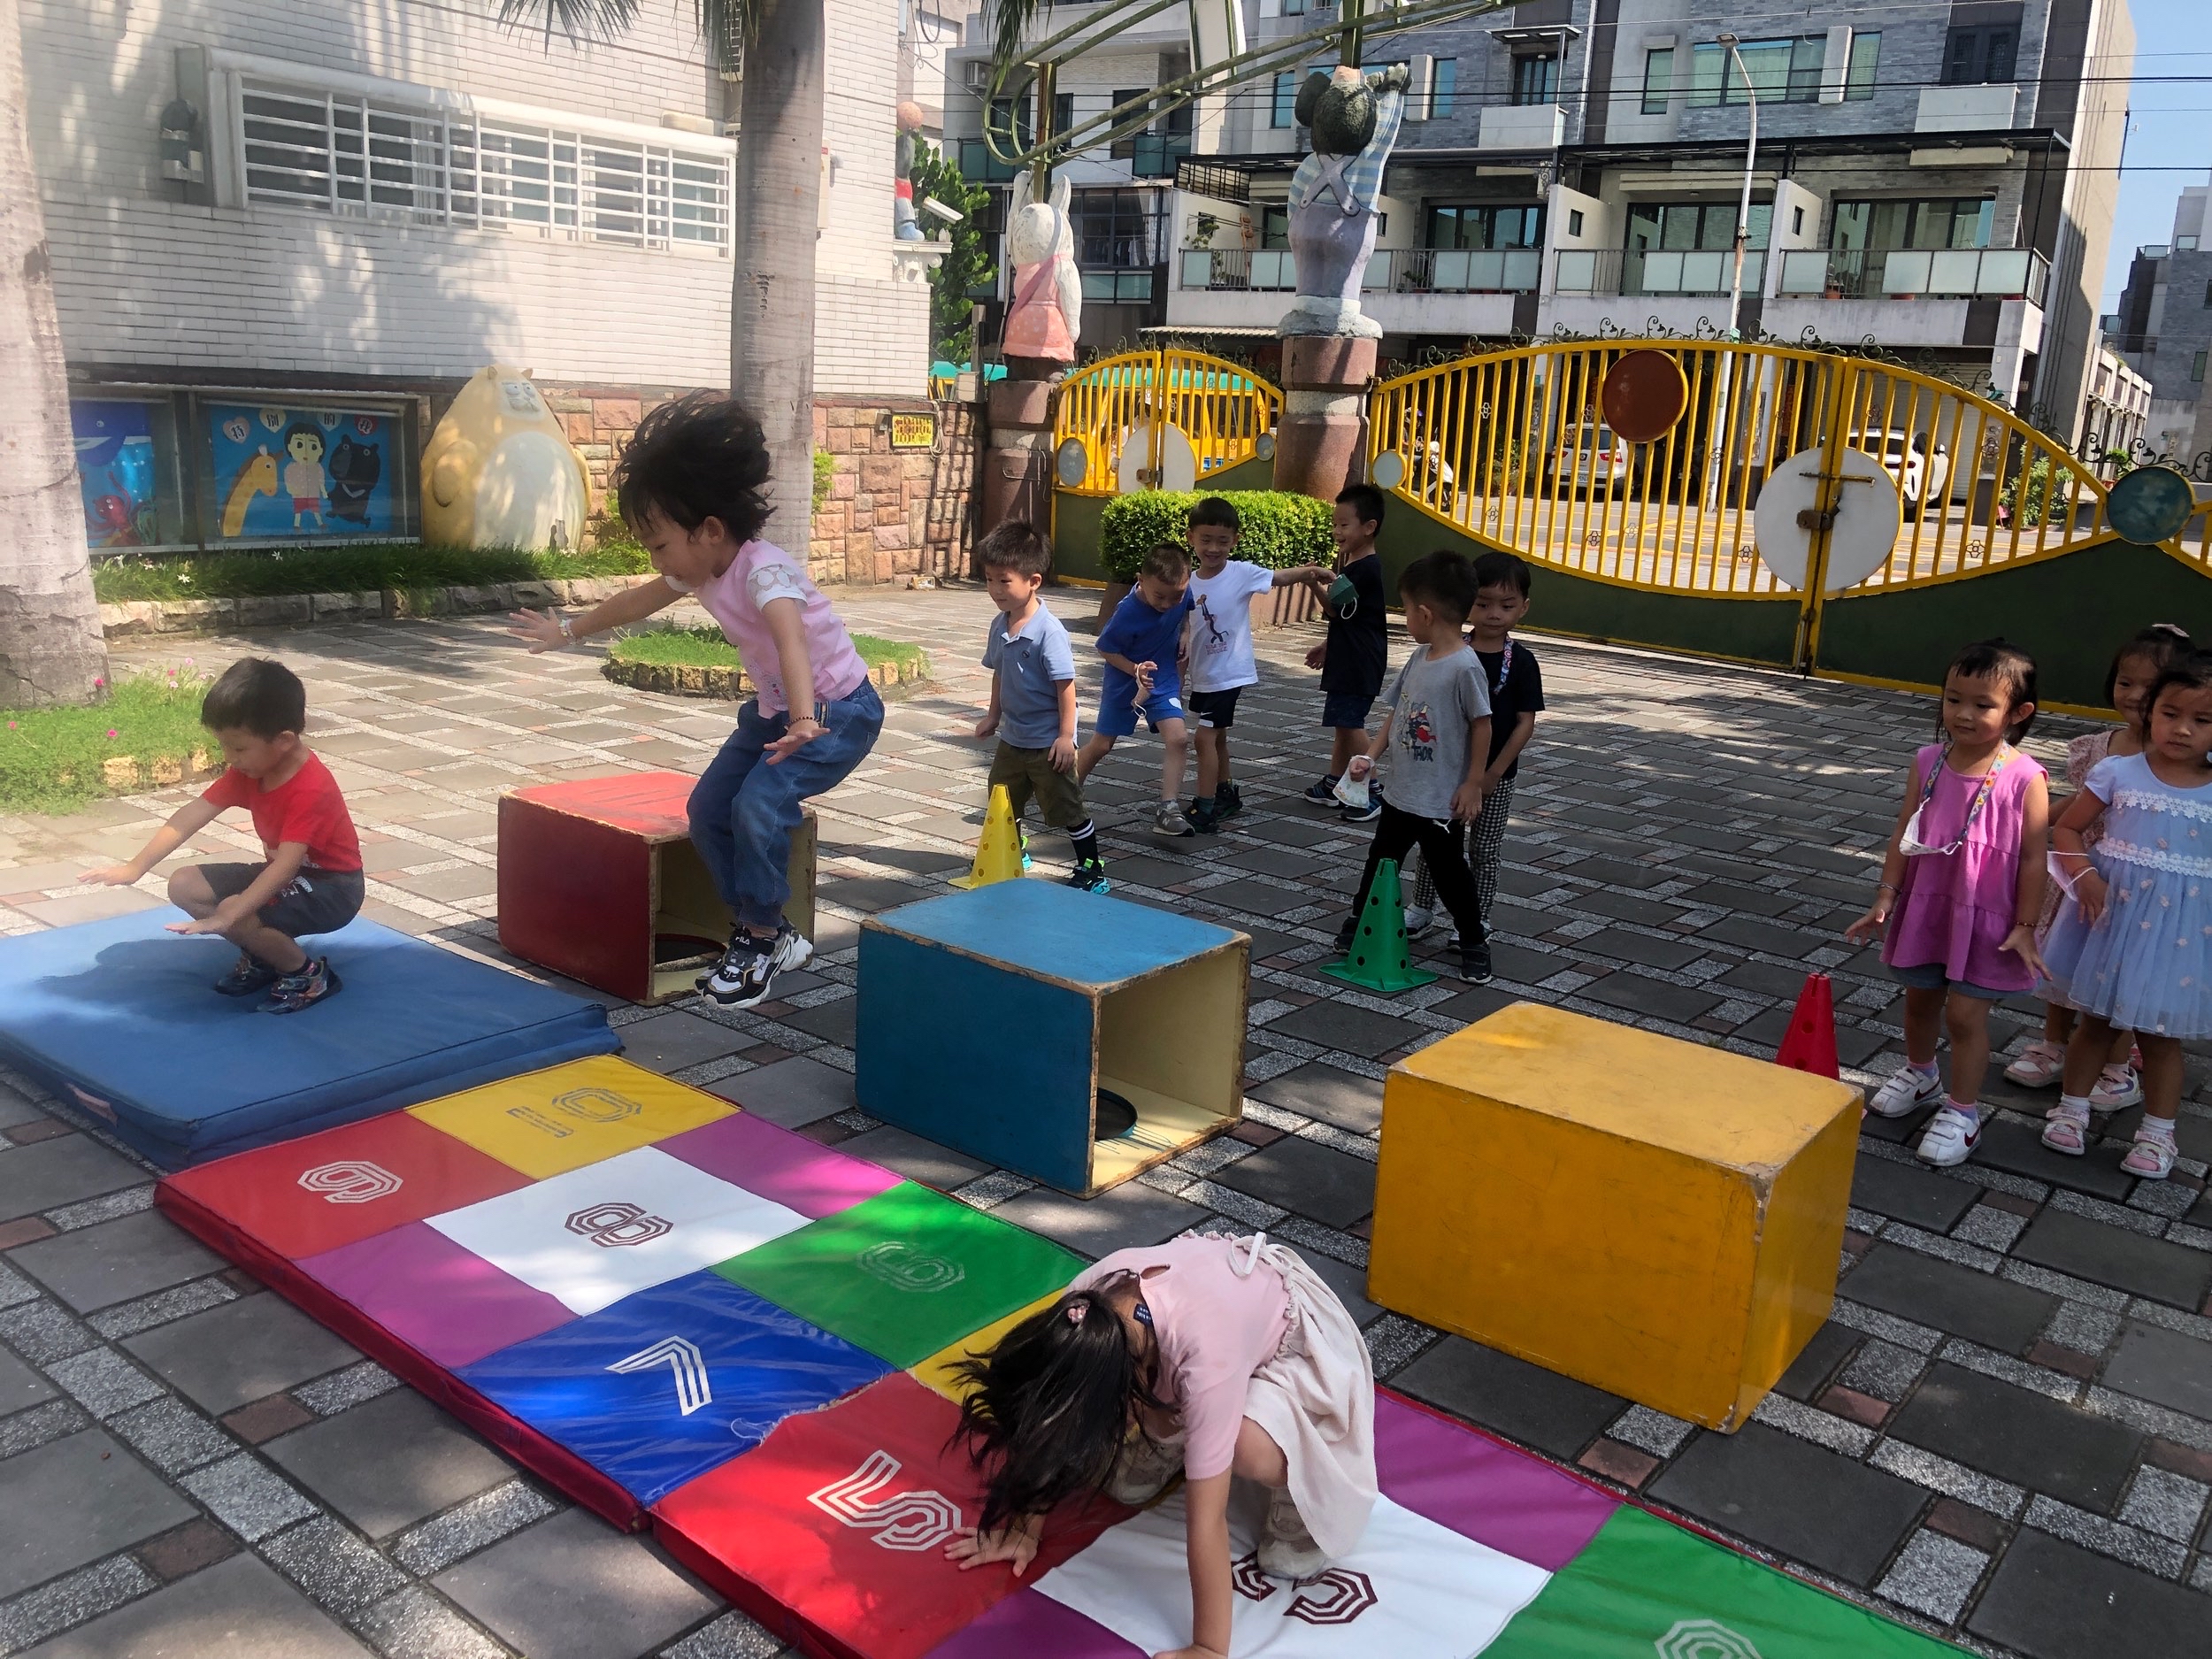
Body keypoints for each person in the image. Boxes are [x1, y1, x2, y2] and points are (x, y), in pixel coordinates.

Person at [510, 394, 881, 1010]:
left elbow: (790, 640)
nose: (655, 559)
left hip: (835, 714)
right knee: (707, 809)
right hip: (776, 715)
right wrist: (568, 630)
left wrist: (802, 718)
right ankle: (767, 930)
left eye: (658, 545)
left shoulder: (764, 571)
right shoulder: (700, 568)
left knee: (759, 804)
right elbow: (637, 600)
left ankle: (761, 938)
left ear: (709, 530)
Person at [945, 1231, 1377, 1659]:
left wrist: (1208, 1647)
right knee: (1169, 1427)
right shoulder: (1085, 1312)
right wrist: (1024, 1527)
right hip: (1206, 1329)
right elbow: (1051, 1418)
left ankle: (1297, 1489)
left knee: (1240, 1442)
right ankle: (1174, 1432)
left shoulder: (1206, 1361)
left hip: (1294, 1346)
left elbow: (1207, 1522)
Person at [1846, 640, 2050, 1168]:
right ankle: (1921, 1074)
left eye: (1983, 704)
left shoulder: (2026, 777)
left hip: (1988, 918)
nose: (1963, 713)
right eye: (1953, 698)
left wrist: (2027, 925)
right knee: (1919, 1001)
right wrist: (1886, 894)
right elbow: (1905, 829)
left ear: (2018, 713)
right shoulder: (1927, 761)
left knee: (1963, 1015)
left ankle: (1963, 1112)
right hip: (1928, 906)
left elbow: (2034, 858)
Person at [81, 657, 362, 1014]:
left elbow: (286, 867)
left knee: (235, 909)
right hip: (288, 874)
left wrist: (230, 918)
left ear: (284, 740)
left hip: (333, 889)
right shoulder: (252, 771)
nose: (229, 758)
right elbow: (191, 815)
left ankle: (307, 976)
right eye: (223, 746)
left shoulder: (310, 788)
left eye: (239, 748)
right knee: (185, 884)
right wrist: (134, 868)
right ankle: (264, 954)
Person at [2038, 652, 2212, 1178]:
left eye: (2202, 720)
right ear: (2150, 711)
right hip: (2111, 918)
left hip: (2179, 934)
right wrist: (2084, 876)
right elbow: (2067, 828)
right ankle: (2071, 1109)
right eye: (2170, 713)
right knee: (2093, 1021)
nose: (2182, 729)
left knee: (2159, 1036)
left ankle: (2158, 1134)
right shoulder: (2118, 772)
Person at [2005, 624, 2192, 1105]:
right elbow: (2077, 806)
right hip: (2081, 873)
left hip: (2139, 887)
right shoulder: (2100, 748)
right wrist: (2027, 827)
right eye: (2125, 682)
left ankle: (2116, 1063)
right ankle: (2053, 1045)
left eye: (2150, 686)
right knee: (2063, 959)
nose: (2134, 695)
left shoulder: (2182, 758)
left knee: (2123, 970)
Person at [1333, 551, 1494, 982]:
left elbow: (1483, 725)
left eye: (1405, 609)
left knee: (1450, 874)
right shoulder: (1419, 658)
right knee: (1380, 860)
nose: (1405, 618)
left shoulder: (1465, 668)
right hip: (1400, 794)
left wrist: (1473, 783)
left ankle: (1473, 940)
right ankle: (1359, 922)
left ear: (1425, 613)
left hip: (1440, 801)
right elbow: (1397, 712)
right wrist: (1371, 755)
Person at [1403, 550, 1545, 956]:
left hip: (1495, 778)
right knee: (1436, 845)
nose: (1494, 614)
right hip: (1447, 771)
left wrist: (1493, 773)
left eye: (1507, 605)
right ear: (1466, 602)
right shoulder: (1448, 652)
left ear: (1524, 607)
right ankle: (1422, 907)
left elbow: (1525, 723)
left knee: (1484, 849)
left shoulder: (1522, 663)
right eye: (1483, 604)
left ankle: (1477, 917)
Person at [1181, 496, 1333, 834]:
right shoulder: (1187, 581)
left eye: (1223, 541)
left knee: (1204, 738)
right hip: (1203, 675)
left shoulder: (1240, 573)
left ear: (1235, 540)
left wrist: (1311, 573)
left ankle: (1204, 808)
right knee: (1217, 737)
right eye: (1206, 540)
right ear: (1191, 538)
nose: (1214, 548)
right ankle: (1226, 793)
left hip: (1229, 673)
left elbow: (1278, 578)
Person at [972, 521, 1108, 894]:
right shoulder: (1000, 625)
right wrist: (993, 715)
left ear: (1034, 581)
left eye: (1004, 581)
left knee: (1067, 807)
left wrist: (1066, 737)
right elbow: (1000, 672)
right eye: (989, 580)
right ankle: (1012, 851)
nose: (995, 590)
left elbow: (1066, 688)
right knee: (1002, 799)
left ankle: (1092, 868)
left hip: (1048, 743)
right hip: (1013, 739)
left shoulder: (1049, 632)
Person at [1079, 544, 1196, 838]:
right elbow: (1106, 649)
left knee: (1179, 739)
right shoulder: (1127, 611)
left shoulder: (1181, 592)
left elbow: (1185, 610)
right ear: (1140, 581)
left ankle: (1168, 809)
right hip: (1124, 682)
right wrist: (1134, 670)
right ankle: (1066, 788)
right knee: (1102, 745)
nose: (1168, 603)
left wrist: (1185, 632)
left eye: (1176, 596)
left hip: (1161, 679)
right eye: (1160, 596)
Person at [1300, 485, 1390, 821]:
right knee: (1343, 722)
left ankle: (1374, 788)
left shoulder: (1364, 569)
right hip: (1350, 656)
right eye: (1335, 524)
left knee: (1350, 723)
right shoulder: (1355, 564)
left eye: (1344, 525)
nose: (1337, 531)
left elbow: (1336, 610)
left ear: (1369, 527)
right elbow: (1352, 618)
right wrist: (1328, 646)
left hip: (1358, 661)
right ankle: (1335, 783)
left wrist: (1313, 582)